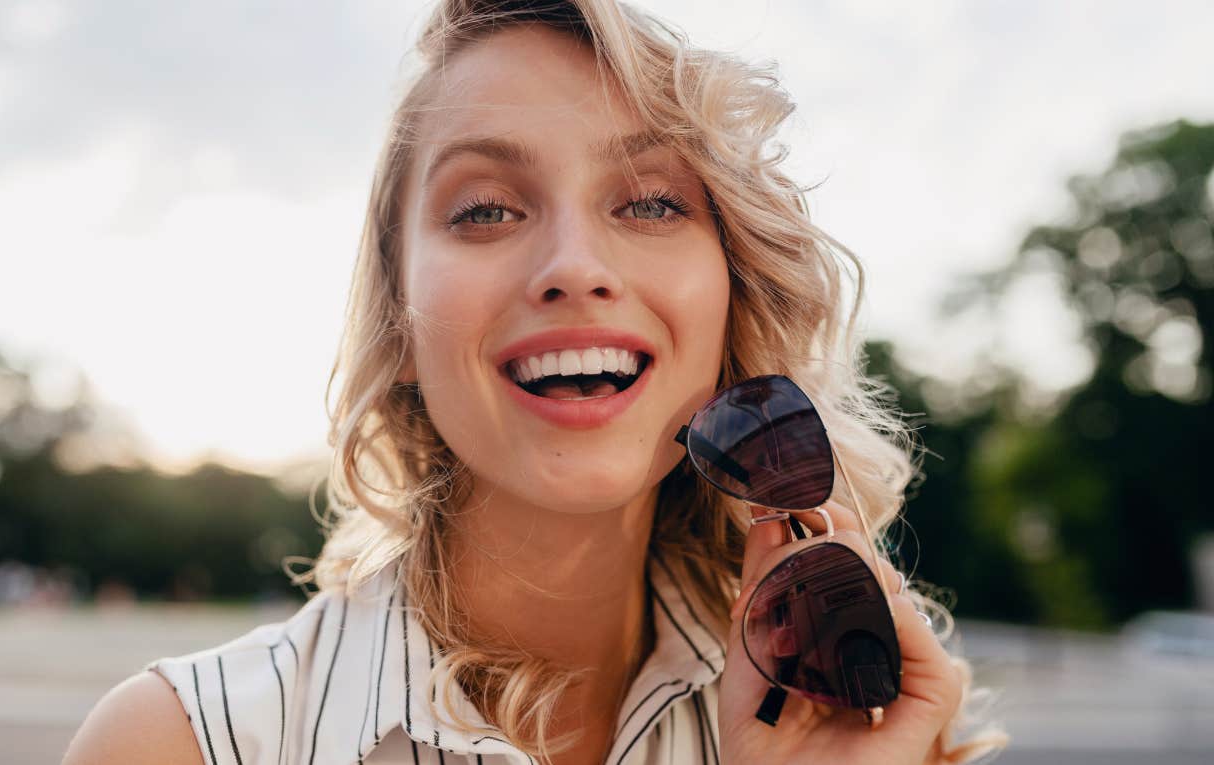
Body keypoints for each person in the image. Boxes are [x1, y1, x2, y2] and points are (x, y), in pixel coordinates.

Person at [64, 1, 1007, 763]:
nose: (575, 265)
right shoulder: (174, 743)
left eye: (648, 201)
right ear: (397, 315)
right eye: (482, 210)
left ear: (732, 296)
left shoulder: (857, 727)